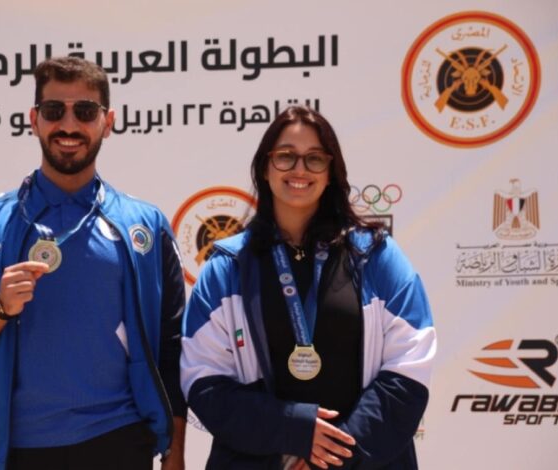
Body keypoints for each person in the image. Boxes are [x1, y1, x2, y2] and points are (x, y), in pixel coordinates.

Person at [0, 56, 187, 470]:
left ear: (108, 122)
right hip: (15, 453)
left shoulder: (146, 226)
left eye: (85, 111)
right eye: (54, 111)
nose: (68, 125)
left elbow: (172, 349)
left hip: (119, 445)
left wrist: (175, 453)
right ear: (34, 120)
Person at [180, 106, 436, 469]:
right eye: (285, 156)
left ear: (331, 172)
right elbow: (203, 382)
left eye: (314, 159)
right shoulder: (228, 267)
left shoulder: (376, 256)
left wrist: (335, 454)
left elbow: (409, 370)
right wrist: (293, 430)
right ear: (265, 168)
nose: (299, 169)